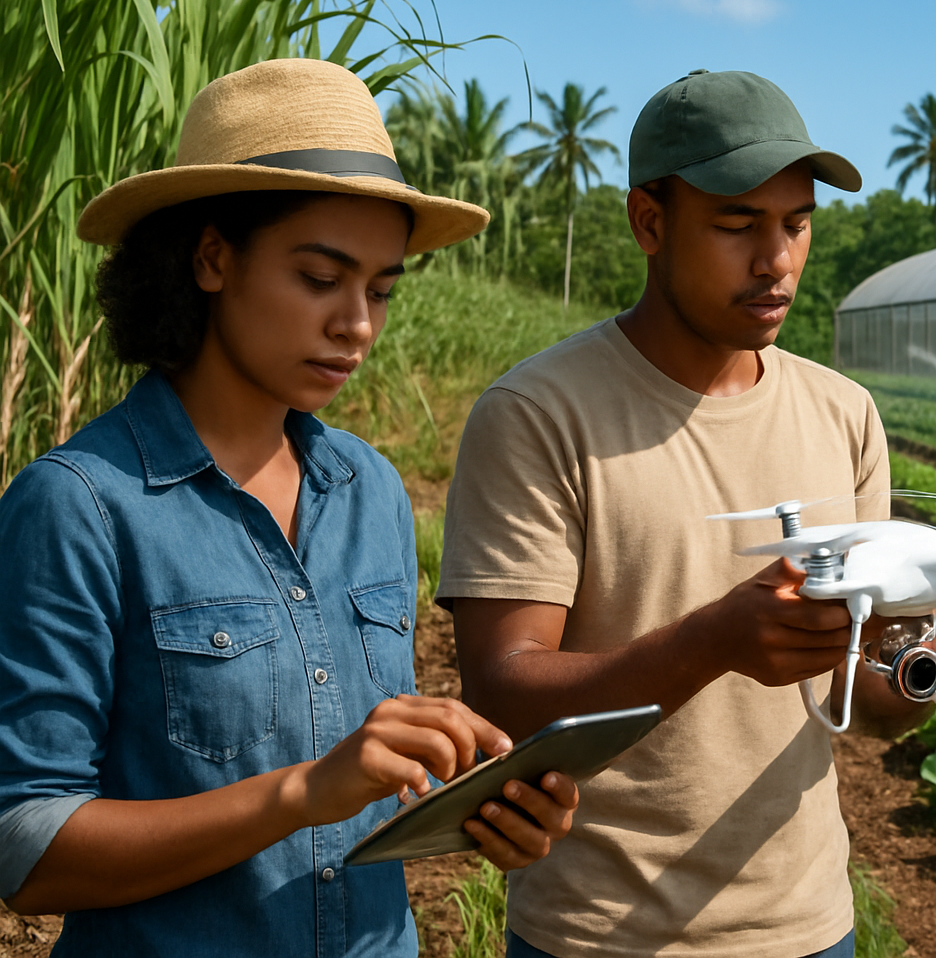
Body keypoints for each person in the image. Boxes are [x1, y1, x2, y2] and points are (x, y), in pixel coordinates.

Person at [0, 58, 579, 956]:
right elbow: (26, 845)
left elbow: (363, 781)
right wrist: (303, 793)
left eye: (381, 290)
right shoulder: (81, 506)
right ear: (211, 258)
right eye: (319, 278)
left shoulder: (371, 491)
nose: (358, 324)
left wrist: (481, 809)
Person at [439, 68, 936, 958]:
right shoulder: (539, 415)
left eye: (796, 224)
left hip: (808, 926)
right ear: (650, 222)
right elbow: (502, 696)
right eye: (736, 224)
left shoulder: (844, 415)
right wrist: (710, 643)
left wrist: (918, 654)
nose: (777, 260)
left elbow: (875, 699)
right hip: (596, 935)